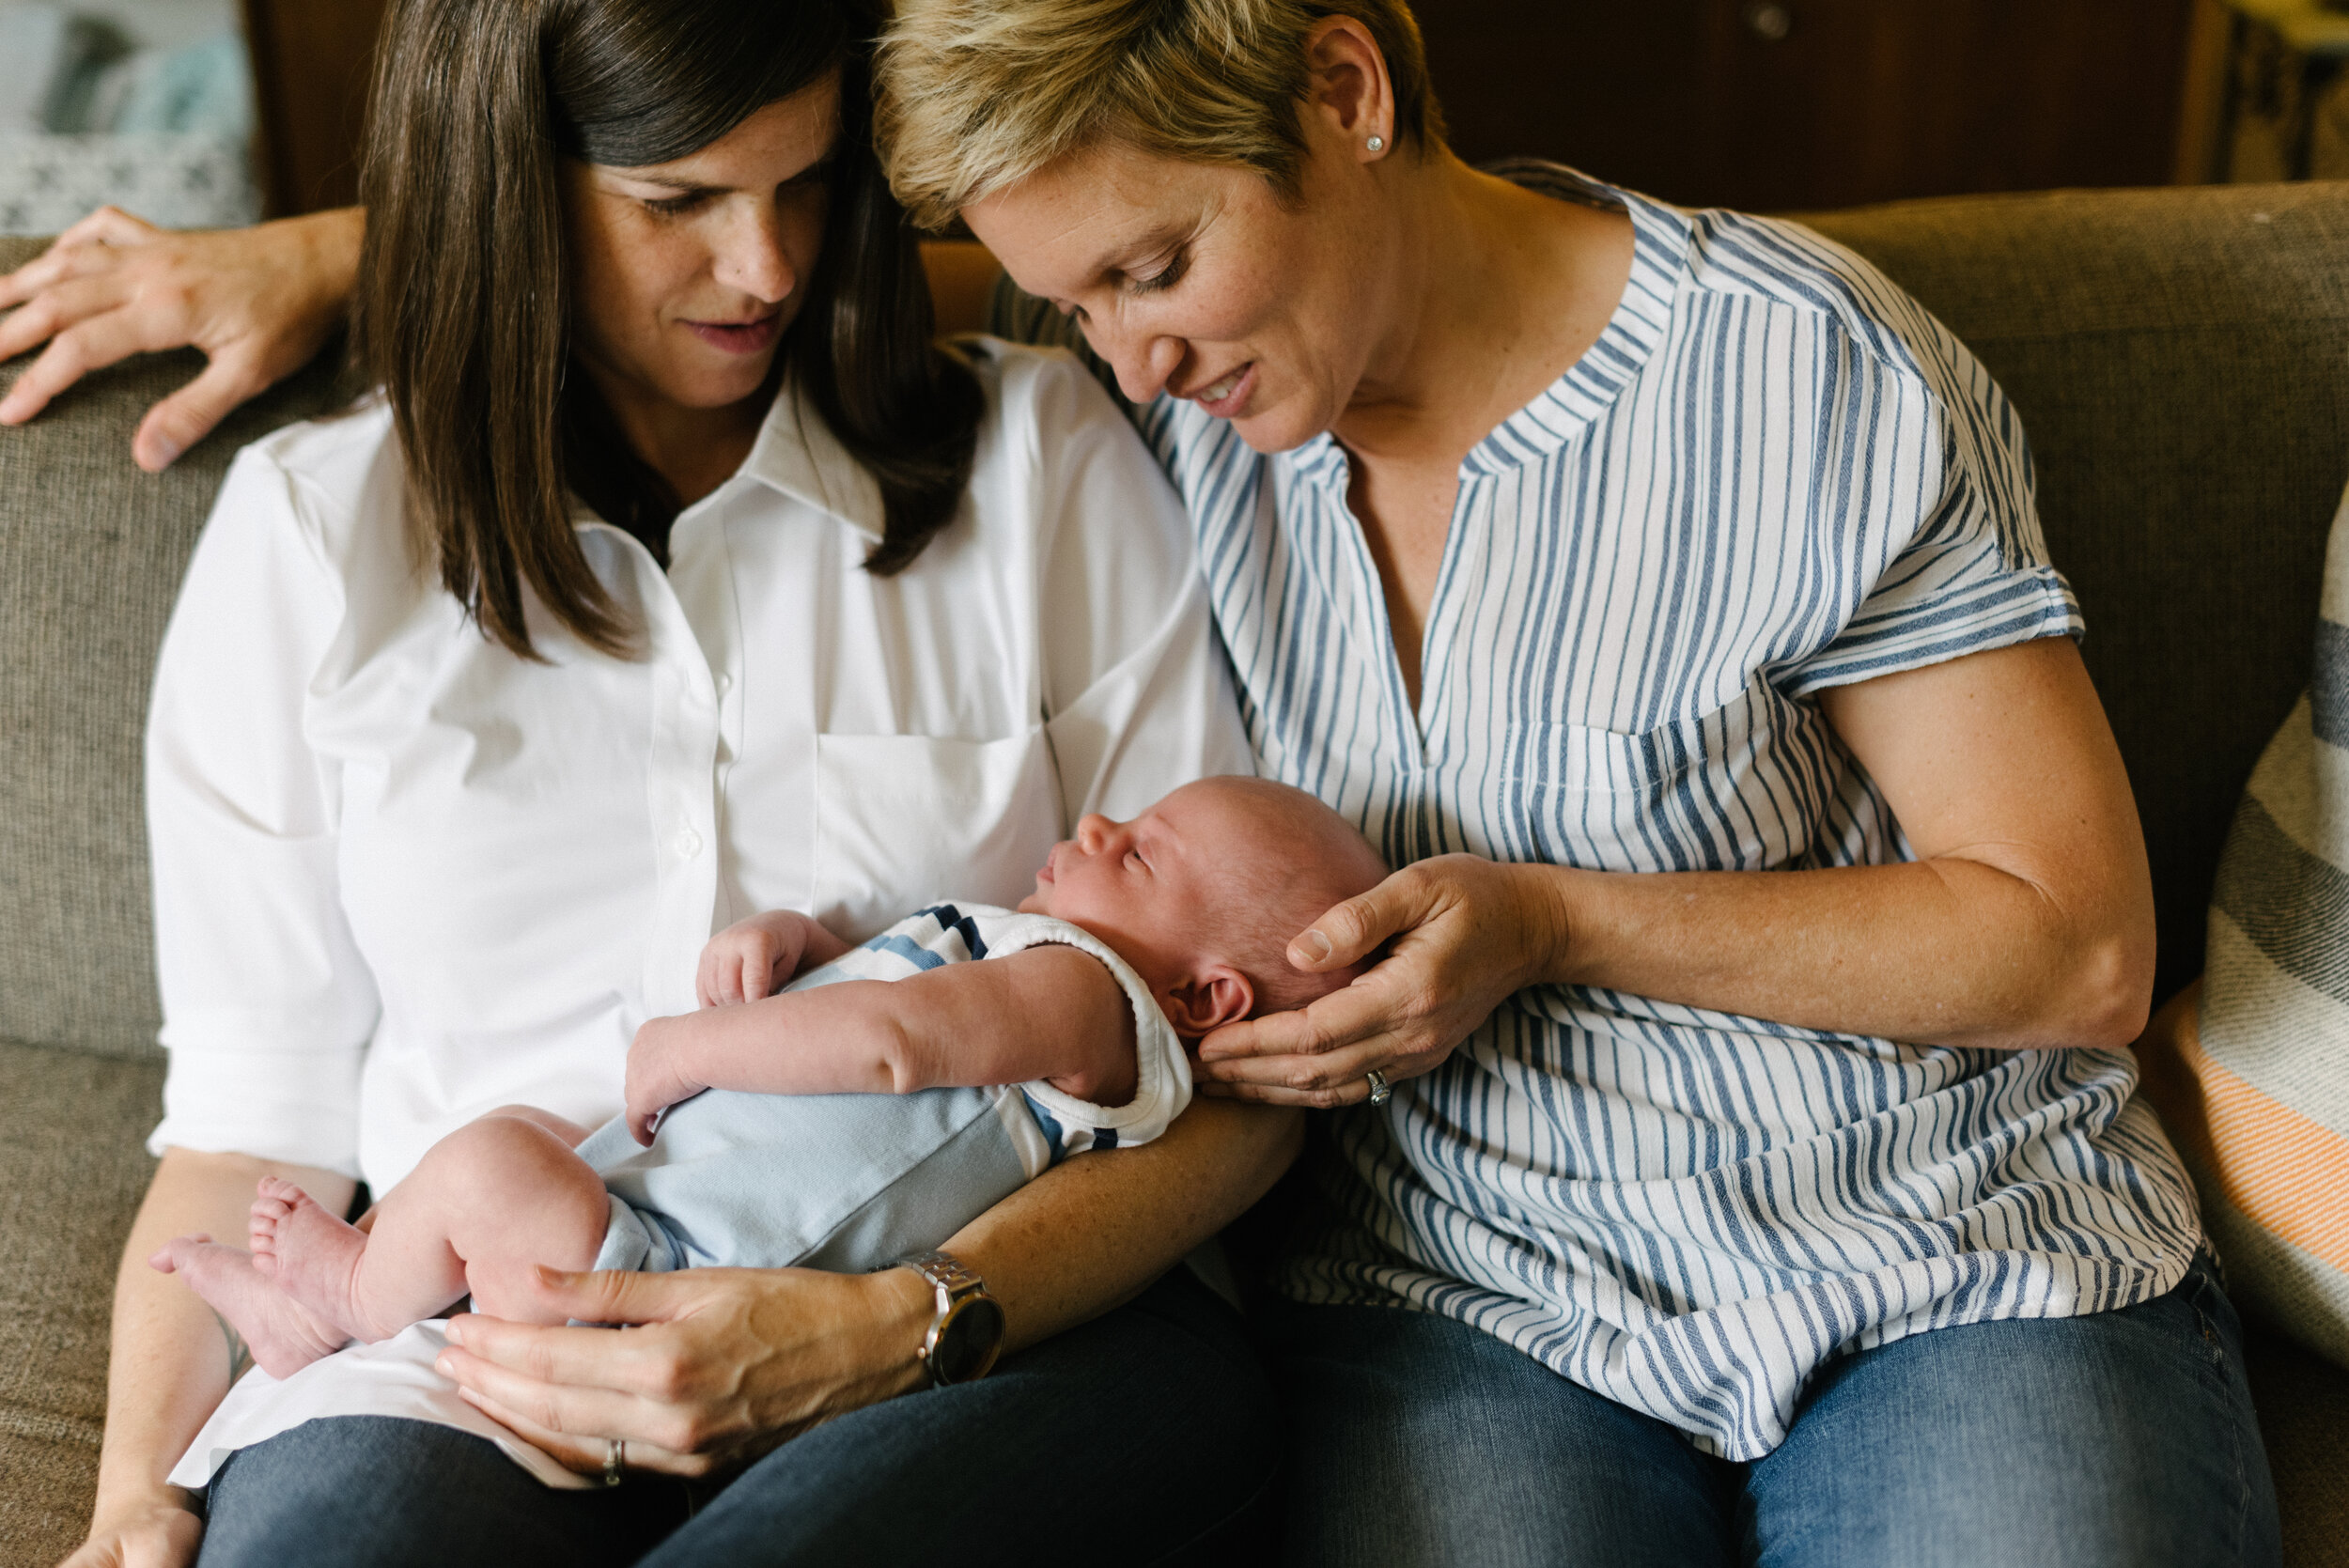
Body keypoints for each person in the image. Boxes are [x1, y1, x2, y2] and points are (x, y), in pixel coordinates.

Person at [0, 3, 2284, 1567]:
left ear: (1350, 89)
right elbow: (726, 225)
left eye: (1157, 270)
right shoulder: (1155, 386)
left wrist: (1555, 918)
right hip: (1453, 1289)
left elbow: (2072, 944)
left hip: (1908, 1241)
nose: (1129, 344)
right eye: (1075, 298)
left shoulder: (1758, 378)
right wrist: (355, 245)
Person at [15, 2, 1304, 1566]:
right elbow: (244, 1129)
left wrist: (904, 1320)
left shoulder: (1036, 460)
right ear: (511, 187)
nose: (766, 270)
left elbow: (1240, 1061)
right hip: (476, 1347)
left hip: (982, 1315)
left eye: (808, 183)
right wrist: (134, 1497)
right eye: (677, 202)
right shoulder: (312, 534)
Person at [150, 778, 1383, 1389]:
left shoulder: (1090, 996)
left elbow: (896, 1044)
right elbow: (887, 1015)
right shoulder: (1033, 960)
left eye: (1148, 850)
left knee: (491, 1164)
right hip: (653, 1219)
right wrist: (794, 948)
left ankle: (347, 1304)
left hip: (676, 1286)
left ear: (1208, 997)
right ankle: (349, 1277)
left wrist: (691, 1045)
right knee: (522, 1136)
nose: (1107, 823)